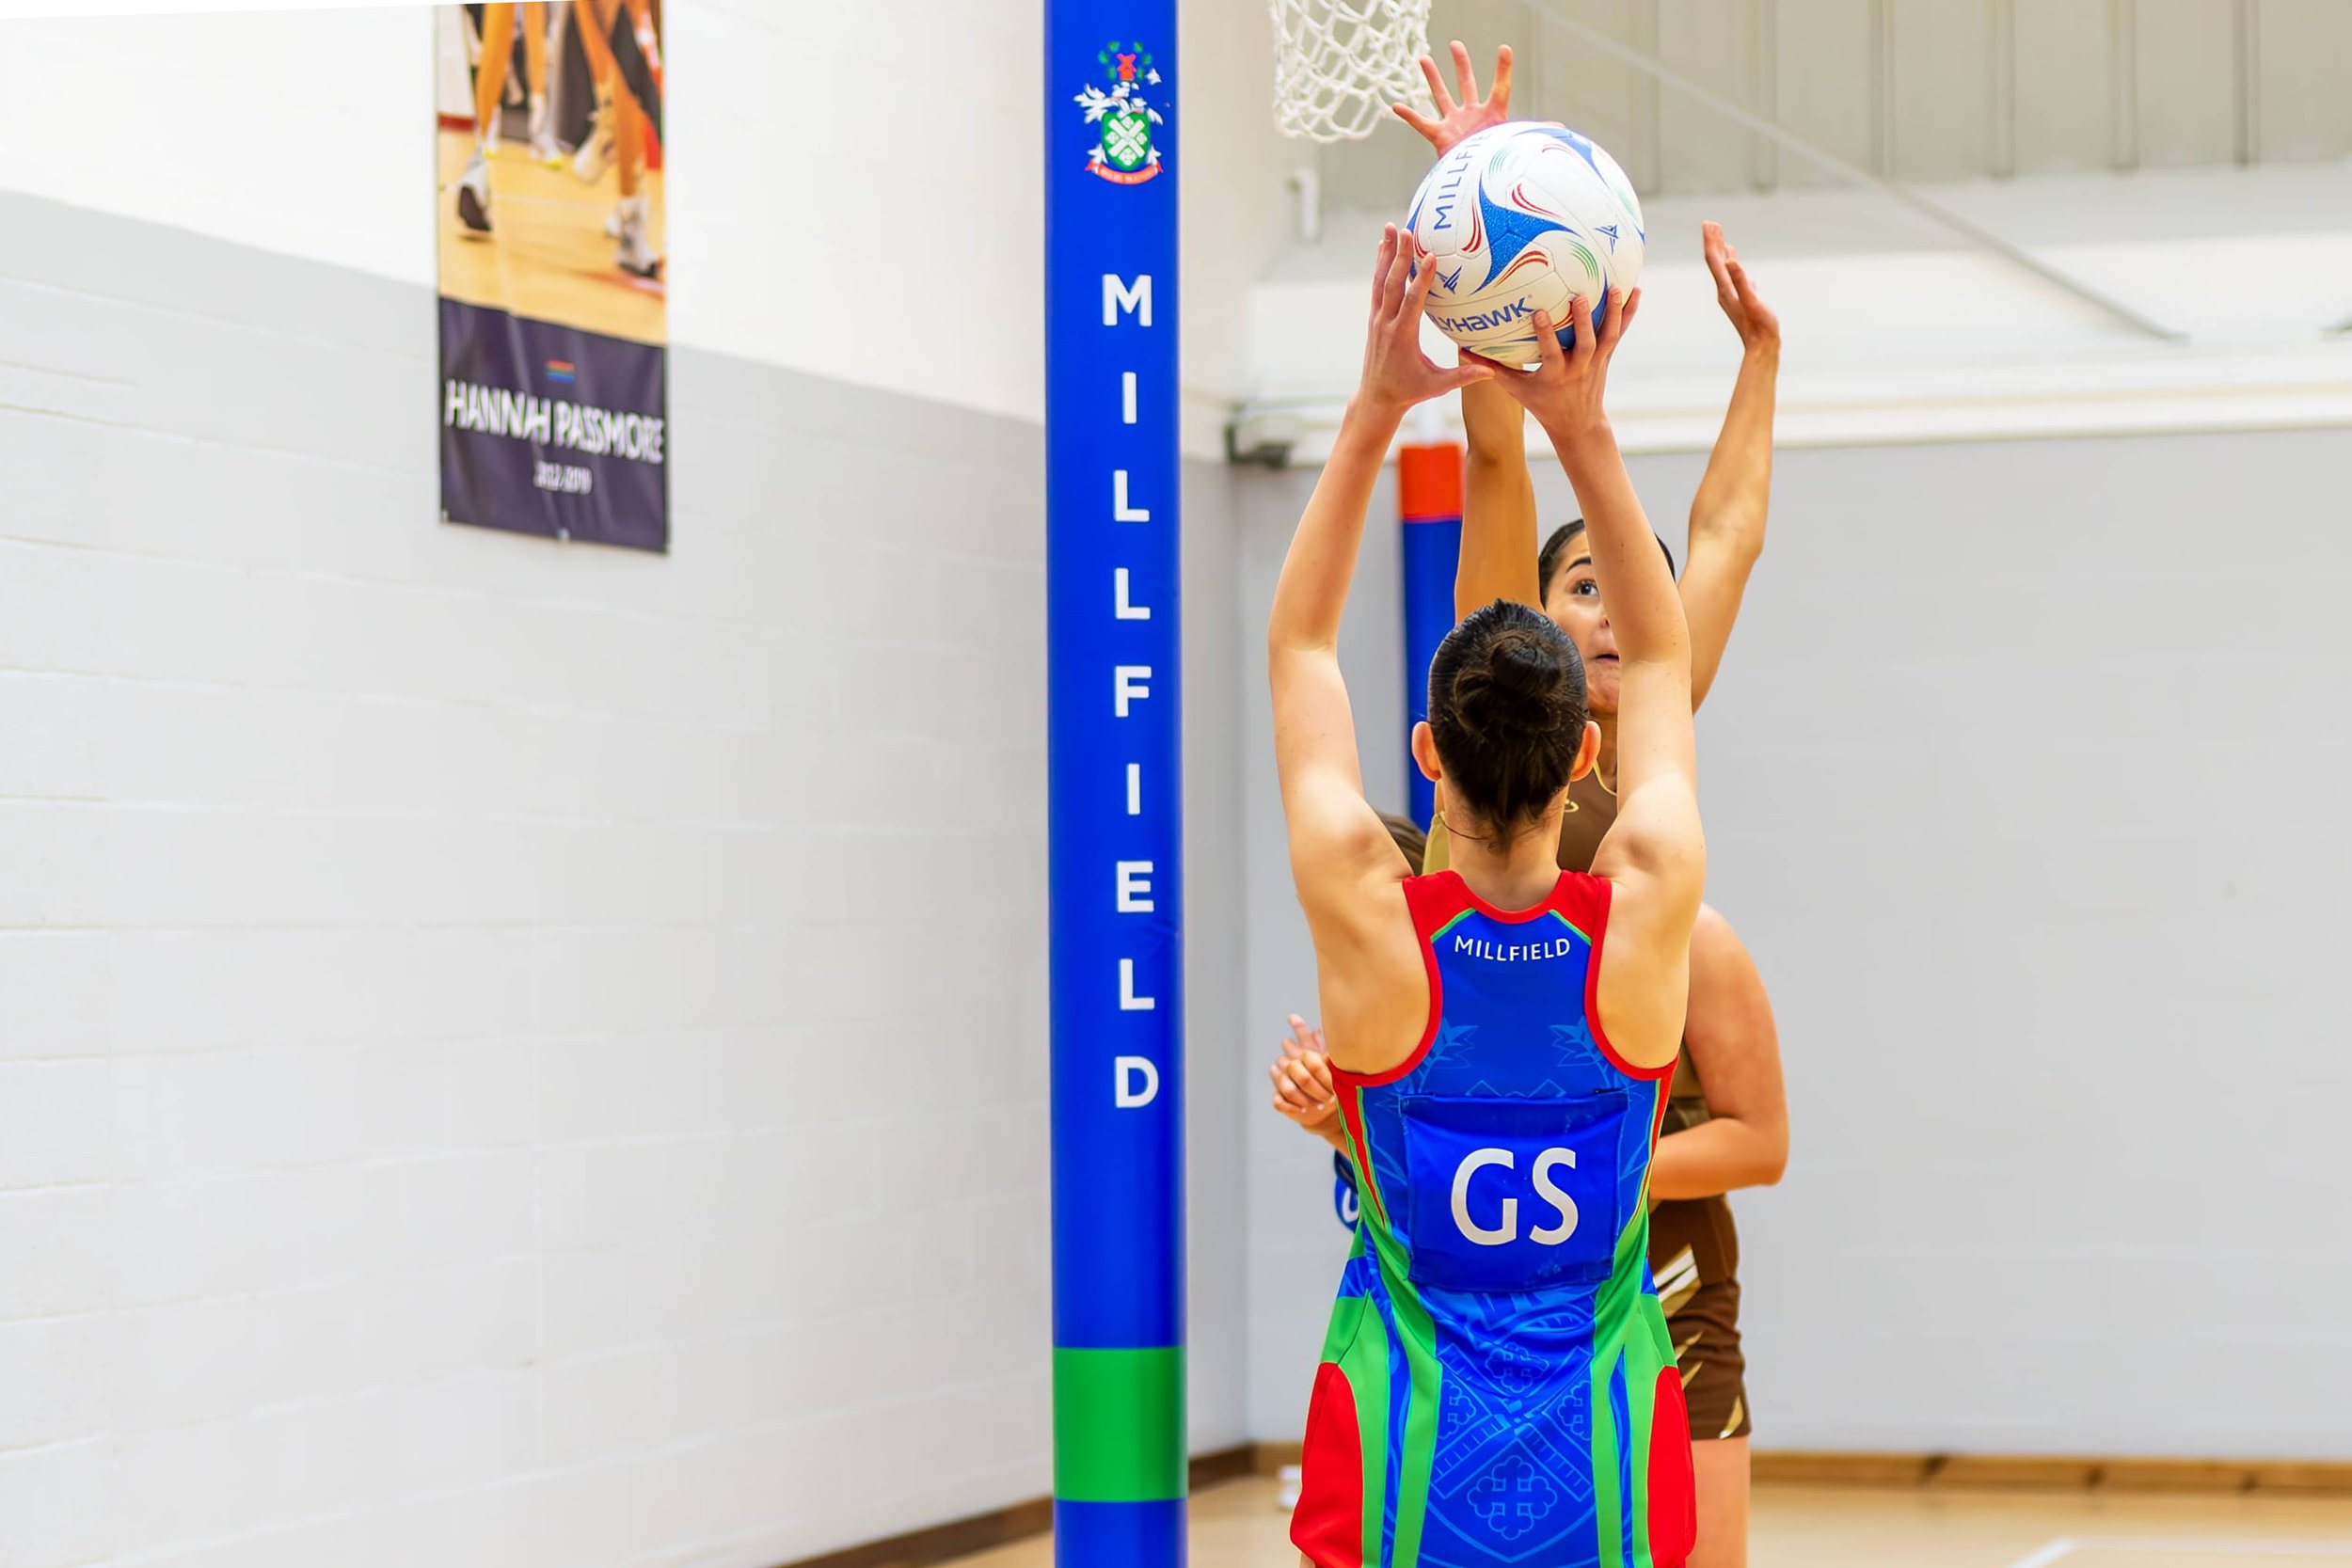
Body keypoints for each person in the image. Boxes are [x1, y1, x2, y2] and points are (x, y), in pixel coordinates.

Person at [1287, 45, 1789, 1568]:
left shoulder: (1412, 897)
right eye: (1577, 591)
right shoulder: (1650, 851)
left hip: (1557, 1222)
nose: (1610, 621)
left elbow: (1715, 547)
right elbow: (1507, 456)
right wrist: (1489, 236)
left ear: (1430, 753)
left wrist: (1459, 284)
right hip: (1574, 1254)